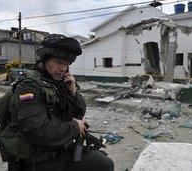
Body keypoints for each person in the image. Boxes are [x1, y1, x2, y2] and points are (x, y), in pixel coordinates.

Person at [8, 34, 114, 171]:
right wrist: (75, 126)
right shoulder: (29, 86)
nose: (63, 68)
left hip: (60, 149)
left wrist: (73, 92)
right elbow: (38, 131)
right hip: (38, 159)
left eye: (66, 64)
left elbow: (79, 113)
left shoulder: (59, 83)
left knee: (104, 162)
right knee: (102, 165)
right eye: (58, 62)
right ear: (45, 60)